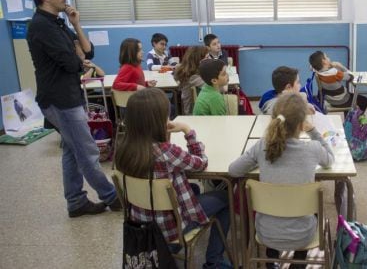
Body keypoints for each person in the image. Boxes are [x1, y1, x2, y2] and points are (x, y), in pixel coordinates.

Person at [27, 0, 120, 217]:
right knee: (87, 150)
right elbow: (71, 62)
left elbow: (89, 51)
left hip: (68, 95)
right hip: (60, 99)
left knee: (71, 149)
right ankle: (111, 197)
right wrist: (79, 58)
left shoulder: (58, 23)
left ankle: (76, 201)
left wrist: (76, 24)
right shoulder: (41, 26)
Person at [114, 88, 231, 269]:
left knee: (195, 189)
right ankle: (214, 261)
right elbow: (201, 163)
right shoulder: (167, 152)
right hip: (170, 229)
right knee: (227, 198)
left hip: (141, 226)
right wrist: (187, 130)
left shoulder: (122, 150)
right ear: (160, 121)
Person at [229, 93, 335, 269]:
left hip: (266, 233)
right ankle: (299, 263)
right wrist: (313, 131)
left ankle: (272, 261)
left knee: (274, 208)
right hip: (303, 235)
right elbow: (330, 159)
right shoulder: (313, 149)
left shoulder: (262, 146)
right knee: (310, 209)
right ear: (302, 125)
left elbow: (234, 170)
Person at [173, 46, 208, 115]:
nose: (209, 60)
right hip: (192, 113)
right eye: (206, 58)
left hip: (193, 109)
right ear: (198, 60)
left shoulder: (187, 71)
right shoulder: (193, 77)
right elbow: (214, 87)